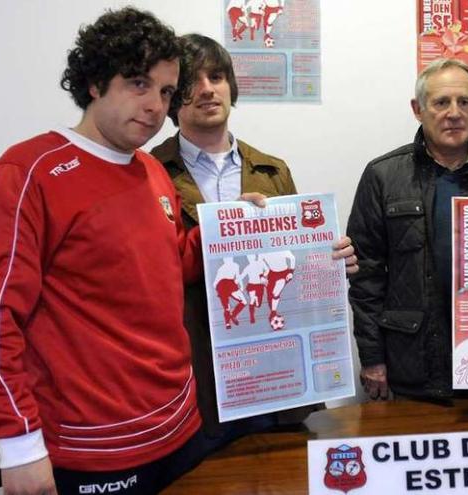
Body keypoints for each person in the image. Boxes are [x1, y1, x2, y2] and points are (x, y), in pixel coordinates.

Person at [0, 8, 210, 494]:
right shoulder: (28, 172)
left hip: (180, 427)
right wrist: (20, 445)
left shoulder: (152, 170)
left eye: (167, 91)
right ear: (94, 82)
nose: (156, 105)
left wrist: (240, 227)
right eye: (138, 83)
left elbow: (170, 265)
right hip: (93, 450)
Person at [150, 33, 357, 443]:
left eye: (217, 76)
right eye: (192, 81)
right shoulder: (151, 172)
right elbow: (150, 272)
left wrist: (330, 260)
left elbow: (294, 266)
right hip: (198, 372)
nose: (208, 90)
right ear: (173, 97)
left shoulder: (272, 169)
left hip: (275, 369)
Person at [347, 58, 468, 402]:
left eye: (464, 102)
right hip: (412, 364)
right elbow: (366, 277)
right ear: (418, 109)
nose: (454, 112)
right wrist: (372, 358)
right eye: (441, 102)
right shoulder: (383, 175)